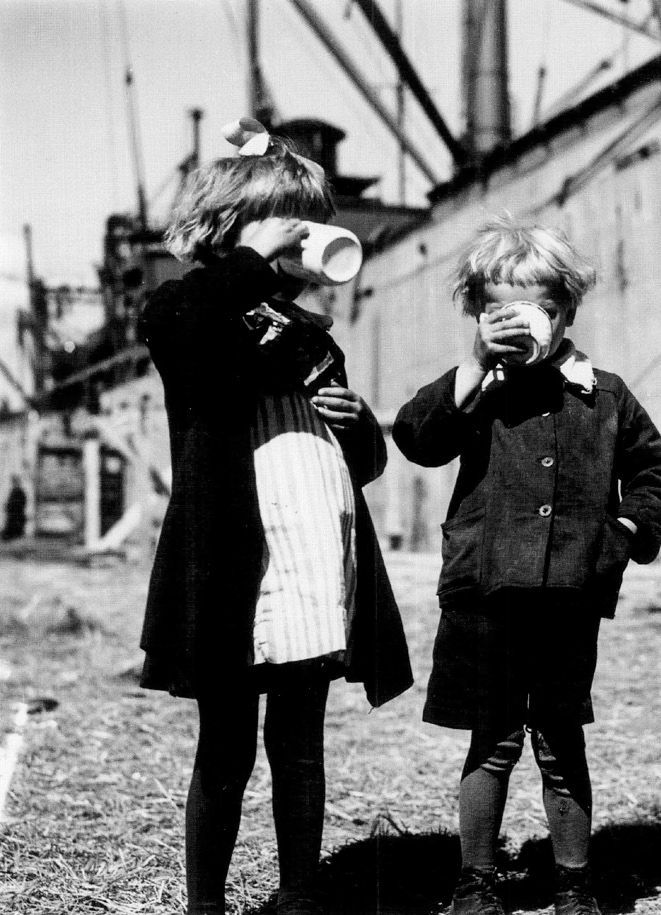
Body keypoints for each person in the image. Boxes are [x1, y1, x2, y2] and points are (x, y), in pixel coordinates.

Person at [137, 118, 413, 915]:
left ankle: (300, 894)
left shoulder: (310, 331)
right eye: (289, 224)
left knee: (299, 741)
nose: (307, 242)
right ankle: (206, 904)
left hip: (310, 556)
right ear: (231, 230)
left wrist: (360, 427)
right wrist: (257, 261)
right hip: (235, 561)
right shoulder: (181, 308)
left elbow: (360, 468)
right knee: (224, 744)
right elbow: (195, 340)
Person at [393, 218, 661, 915]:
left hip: (567, 596)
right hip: (485, 593)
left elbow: (654, 470)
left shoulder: (602, 393)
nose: (526, 324)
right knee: (491, 741)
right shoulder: (475, 390)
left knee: (558, 741)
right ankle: (476, 880)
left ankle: (574, 882)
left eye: (542, 309)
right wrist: (472, 367)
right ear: (478, 315)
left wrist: (623, 532)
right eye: (501, 310)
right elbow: (415, 437)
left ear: (566, 311)